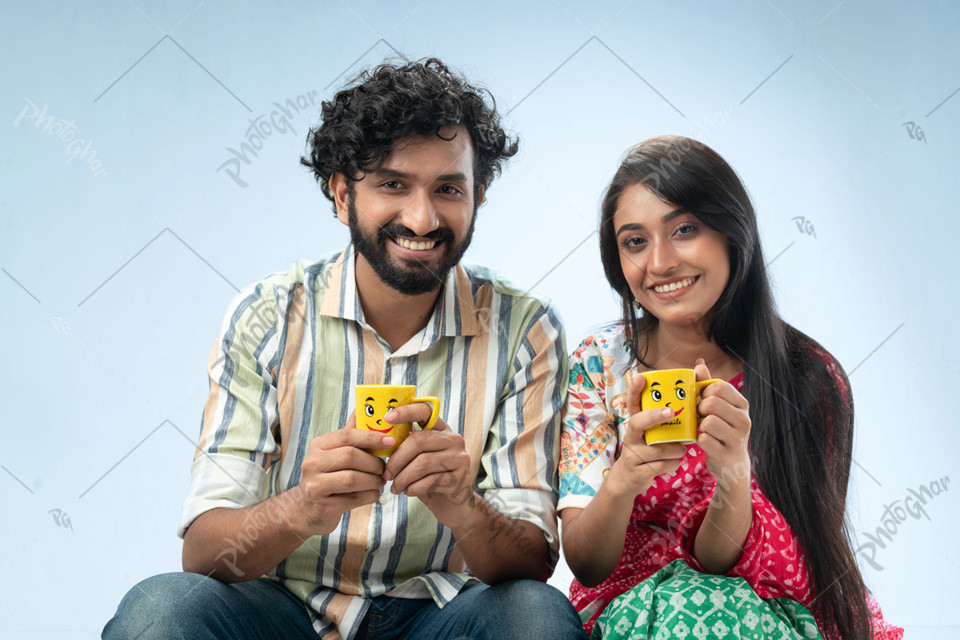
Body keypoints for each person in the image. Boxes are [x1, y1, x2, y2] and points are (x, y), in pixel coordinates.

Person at [103, 58, 586, 640]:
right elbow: (204, 553)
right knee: (160, 612)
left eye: (448, 189)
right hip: (282, 611)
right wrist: (302, 506)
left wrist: (464, 505)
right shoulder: (268, 316)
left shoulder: (525, 330)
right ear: (340, 193)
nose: (422, 217)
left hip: (442, 617)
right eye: (392, 184)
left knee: (535, 616)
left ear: (477, 197)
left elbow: (532, 563)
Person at [557, 136, 904, 640]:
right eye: (635, 241)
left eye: (684, 230)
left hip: (769, 613)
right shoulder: (599, 365)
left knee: (702, 608)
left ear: (732, 232)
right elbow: (588, 565)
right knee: (684, 605)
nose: (659, 263)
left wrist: (733, 477)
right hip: (629, 614)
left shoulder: (808, 379)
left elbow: (738, 568)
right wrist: (624, 479)